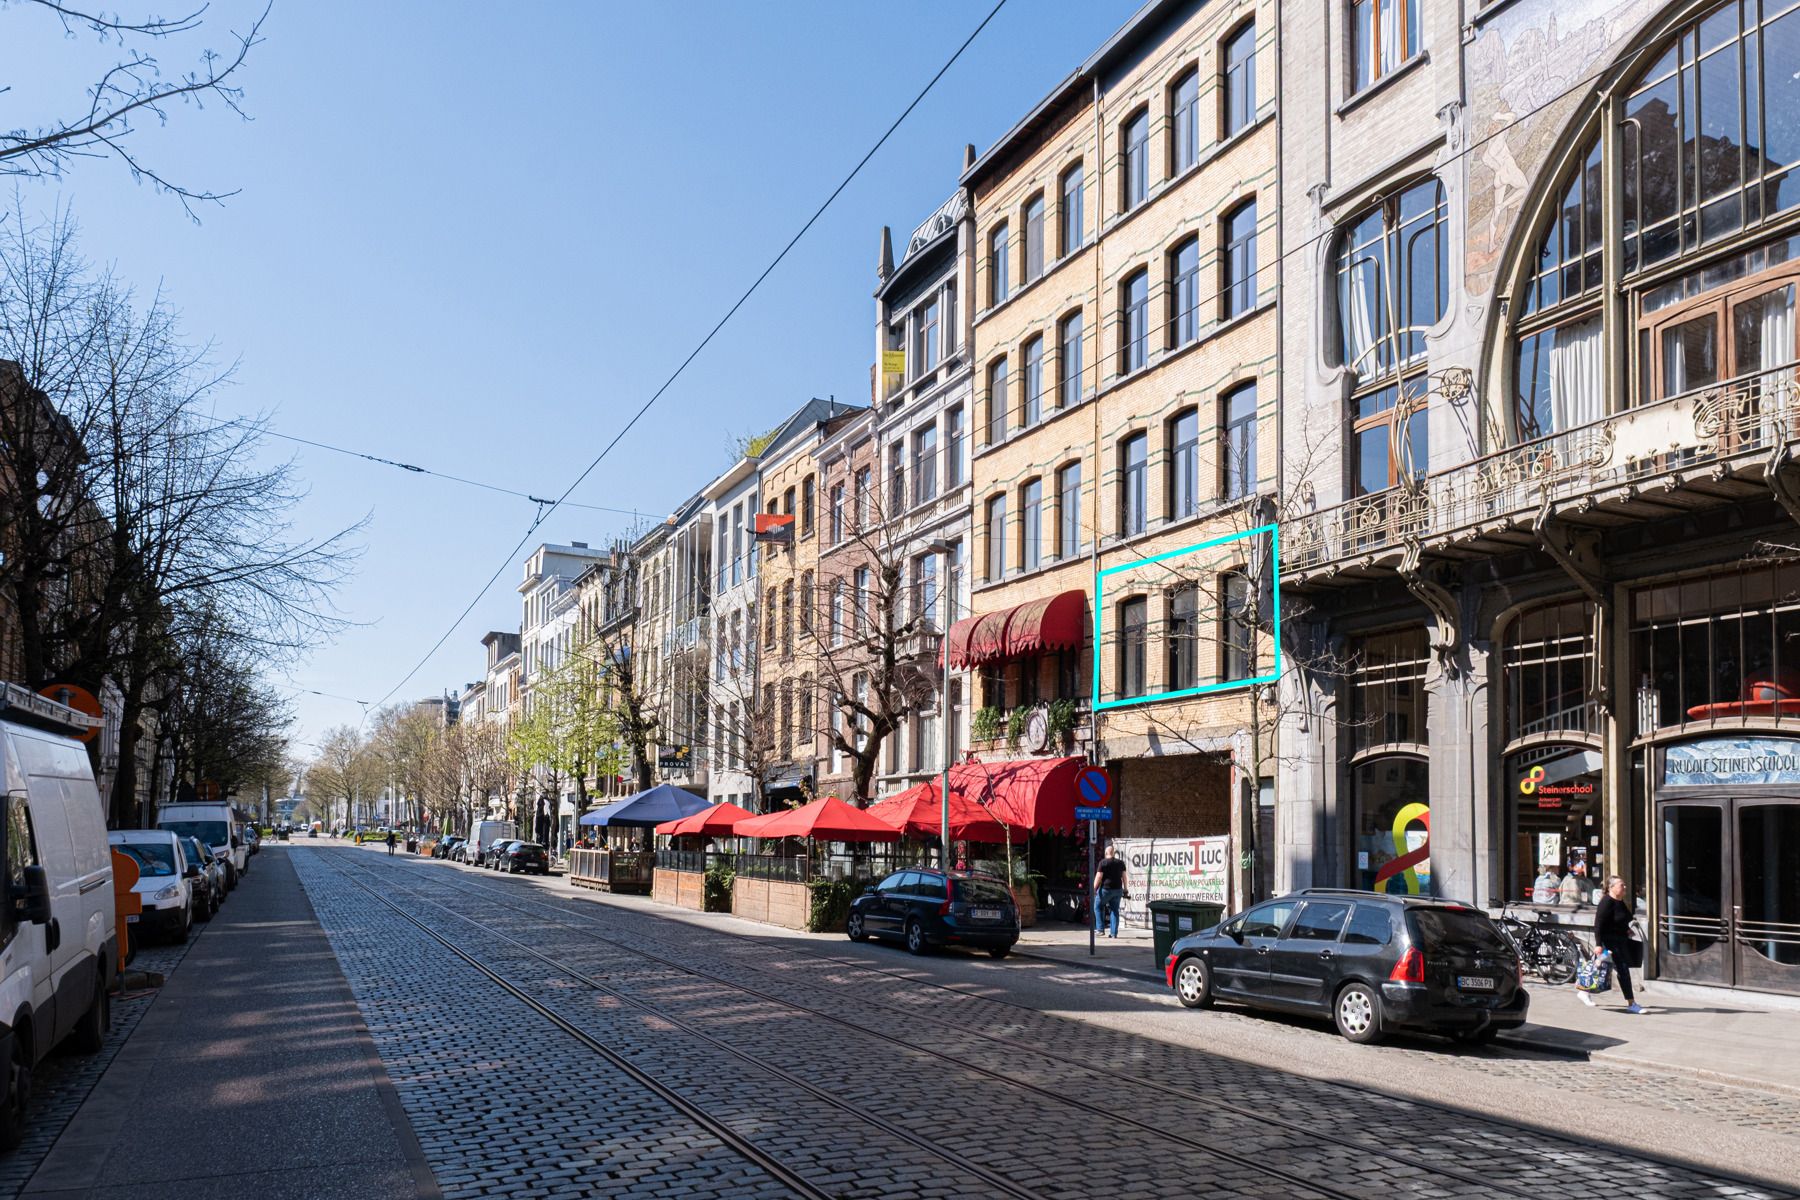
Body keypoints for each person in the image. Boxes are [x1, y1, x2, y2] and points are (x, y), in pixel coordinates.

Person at [1584, 874, 1643, 1013]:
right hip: (1608, 943)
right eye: (1621, 885)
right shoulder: (1606, 902)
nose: (1625, 887)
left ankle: (1584, 991)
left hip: (1619, 941)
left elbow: (1623, 919)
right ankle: (1631, 1003)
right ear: (1611, 887)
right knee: (1621, 969)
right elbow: (1598, 924)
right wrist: (1598, 944)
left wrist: (1628, 929)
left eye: (1624, 885)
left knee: (1599, 967)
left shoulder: (1620, 902)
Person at [1093, 846, 1127, 938]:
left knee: (1098, 907)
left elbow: (1099, 876)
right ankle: (1113, 933)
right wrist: (1125, 889)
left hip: (1105, 890)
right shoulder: (1120, 863)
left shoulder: (1103, 863)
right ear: (1114, 853)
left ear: (1106, 853)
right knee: (1115, 910)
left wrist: (1094, 889)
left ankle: (1100, 930)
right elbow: (1124, 877)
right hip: (1118, 890)